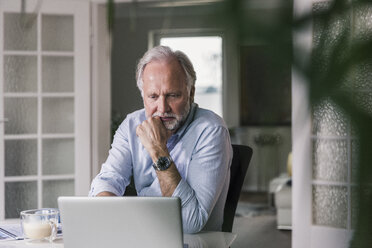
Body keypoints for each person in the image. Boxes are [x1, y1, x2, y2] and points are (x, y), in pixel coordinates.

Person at [89, 46, 233, 234]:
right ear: (143, 96)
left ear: (190, 93)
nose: (162, 107)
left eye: (173, 95)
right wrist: (108, 216)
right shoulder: (132, 124)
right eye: (153, 96)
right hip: (143, 236)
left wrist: (158, 150)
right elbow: (107, 180)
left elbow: (190, 223)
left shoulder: (211, 130)